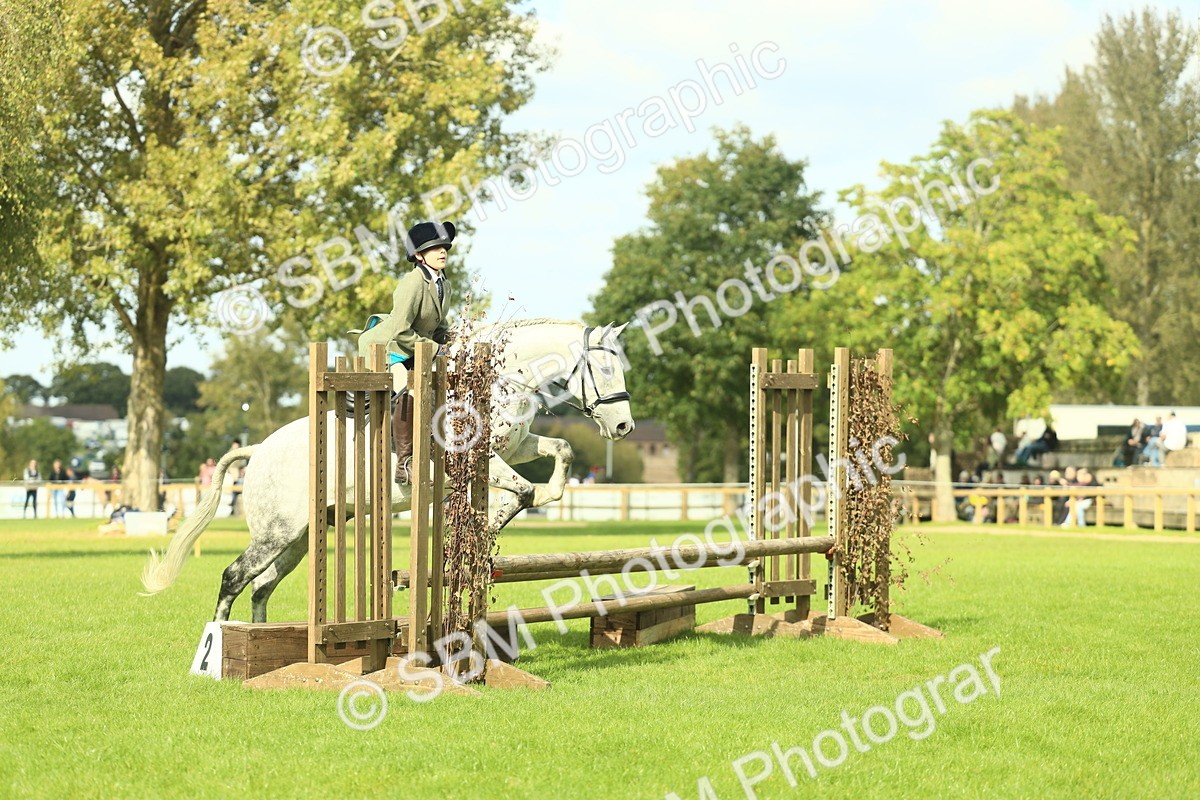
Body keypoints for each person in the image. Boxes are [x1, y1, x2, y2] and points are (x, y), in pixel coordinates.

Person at [353, 220, 456, 485]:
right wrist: (436, 349)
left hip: (414, 349)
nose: (443, 251)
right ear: (419, 255)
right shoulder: (413, 282)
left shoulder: (444, 283)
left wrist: (457, 341)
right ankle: (404, 463)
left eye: (445, 246)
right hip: (388, 349)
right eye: (435, 248)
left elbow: (438, 327)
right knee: (408, 391)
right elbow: (400, 331)